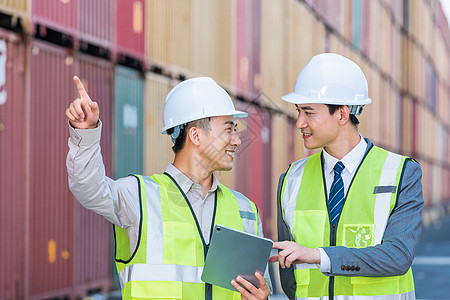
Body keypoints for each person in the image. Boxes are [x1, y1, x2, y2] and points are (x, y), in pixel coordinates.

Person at [66, 76, 271, 300]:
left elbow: (260, 287)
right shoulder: (140, 197)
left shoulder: (245, 210)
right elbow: (88, 189)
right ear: (196, 135)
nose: (236, 140)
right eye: (229, 129)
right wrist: (86, 135)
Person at [269, 53, 423, 299]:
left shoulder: (401, 173)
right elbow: (290, 279)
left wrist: (320, 256)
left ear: (342, 114)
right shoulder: (290, 179)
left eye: (309, 112)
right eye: (298, 111)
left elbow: (398, 256)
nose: (299, 122)